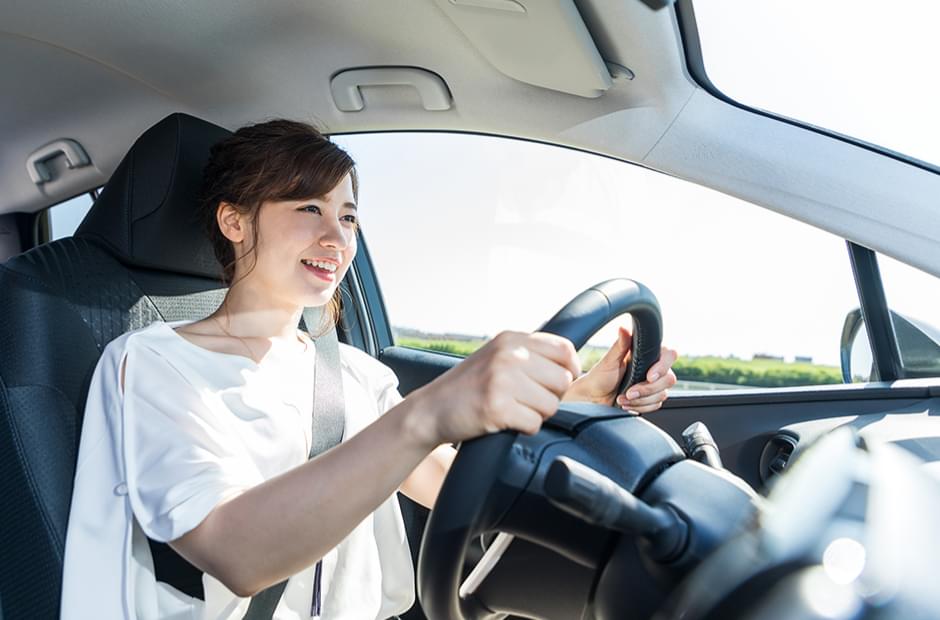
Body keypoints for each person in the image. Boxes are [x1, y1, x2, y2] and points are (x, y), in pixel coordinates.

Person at [61, 119, 678, 620]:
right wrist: (425, 415)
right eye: (308, 207)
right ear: (234, 221)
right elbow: (235, 552)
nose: (336, 238)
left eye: (348, 216)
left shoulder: (354, 375)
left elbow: (449, 483)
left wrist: (577, 399)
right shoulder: (153, 363)